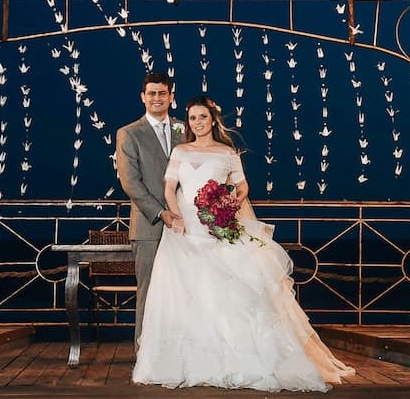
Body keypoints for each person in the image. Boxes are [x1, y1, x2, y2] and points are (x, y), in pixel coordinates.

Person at [132, 96, 355, 392]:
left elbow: (243, 185)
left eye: (202, 117)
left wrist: (228, 204)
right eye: (192, 118)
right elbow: (169, 188)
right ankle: (187, 361)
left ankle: (236, 360)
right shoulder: (180, 151)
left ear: (213, 120)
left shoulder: (227, 153)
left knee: (225, 293)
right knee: (185, 294)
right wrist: (174, 217)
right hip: (185, 230)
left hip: (216, 226)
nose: (197, 123)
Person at [116, 71, 184, 346]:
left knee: (184, 289)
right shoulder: (129, 133)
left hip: (186, 224)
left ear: (171, 96)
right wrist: (160, 212)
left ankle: (179, 350)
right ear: (143, 97)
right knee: (149, 291)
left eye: (162, 93)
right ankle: (144, 354)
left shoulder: (185, 128)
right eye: (152, 93)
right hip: (149, 226)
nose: (157, 98)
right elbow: (130, 182)